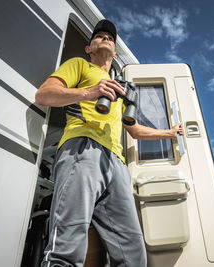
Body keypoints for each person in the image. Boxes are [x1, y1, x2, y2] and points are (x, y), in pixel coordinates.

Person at [35, 19, 183, 267]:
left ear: (115, 53)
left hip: (116, 163)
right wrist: (90, 92)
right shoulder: (79, 65)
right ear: (88, 48)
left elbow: (133, 130)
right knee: (67, 245)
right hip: (83, 149)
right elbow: (44, 95)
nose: (105, 37)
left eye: (110, 38)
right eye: (99, 36)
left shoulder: (118, 86)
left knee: (133, 252)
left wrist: (168, 133)